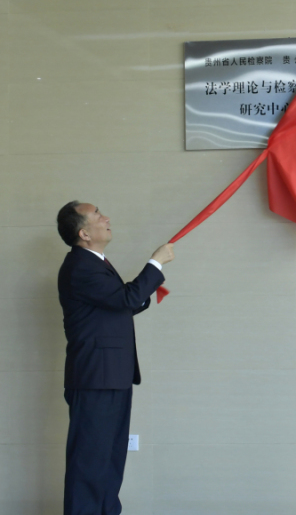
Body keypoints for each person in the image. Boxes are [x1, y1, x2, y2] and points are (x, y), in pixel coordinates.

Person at [56, 201, 174, 515]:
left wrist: (144, 293)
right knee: (90, 462)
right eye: (97, 214)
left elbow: (119, 304)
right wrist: (155, 264)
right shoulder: (81, 265)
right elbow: (125, 298)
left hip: (112, 375)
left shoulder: (95, 263)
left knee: (110, 459)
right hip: (96, 377)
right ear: (84, 233)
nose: (106, 218)